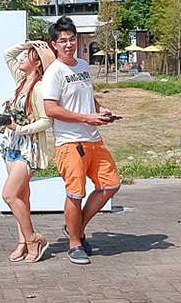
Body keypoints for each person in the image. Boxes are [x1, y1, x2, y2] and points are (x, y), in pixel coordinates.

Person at [41, 16, 121, 265]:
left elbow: (89, 97)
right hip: (69, 142)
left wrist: (101, 110)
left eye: (72, 39)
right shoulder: (54, 73)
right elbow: (51, 110)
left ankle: (76, 227)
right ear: (53, 44)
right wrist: (86, 118)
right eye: (63, 40)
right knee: (75, 194)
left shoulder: (83, 65)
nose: (68, 44)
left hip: (93, 139)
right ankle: (74, 242)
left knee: (111, 185)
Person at [0, 40, 56, 263]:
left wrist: (21, 128)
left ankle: (34, 239)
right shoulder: (21, 80)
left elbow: (46, 120)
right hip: (12, 145)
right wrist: (27, 44)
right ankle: (23, 242)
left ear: (37, 64)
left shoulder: (40, 88)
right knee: (21, 196)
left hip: (29, 148)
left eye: (28, 55)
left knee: (9, 195)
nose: (22, 57)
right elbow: (7, 54)